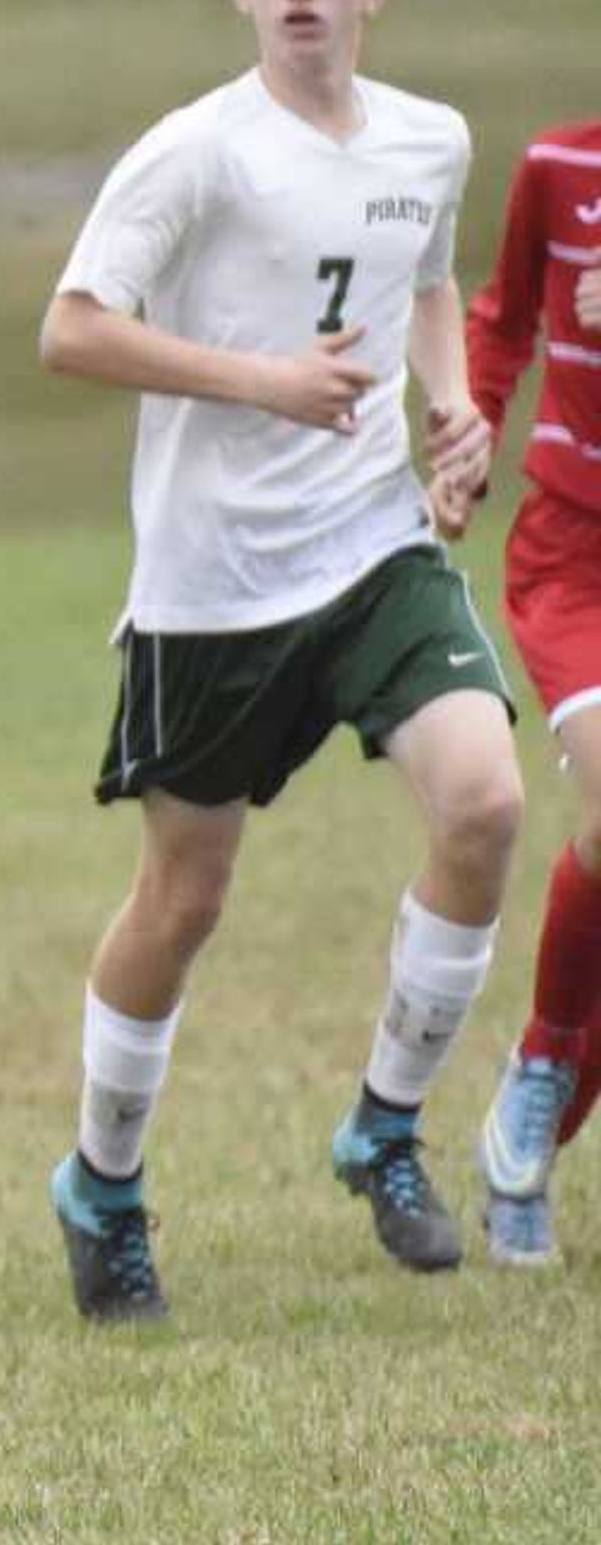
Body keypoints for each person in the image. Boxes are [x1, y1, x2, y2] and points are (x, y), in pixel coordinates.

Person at [36, 0, 510, 1325]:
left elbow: (428, 282)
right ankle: (102, 1185)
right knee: (185, 897)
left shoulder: (428, 140)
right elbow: (69, 330)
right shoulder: (197, 153)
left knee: (485, 801)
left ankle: (384, 1122)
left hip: (372, 550)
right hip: (213, 583)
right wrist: (260, 380)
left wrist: (453, 409)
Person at [465, 113, 601, 1263]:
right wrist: (465, 437)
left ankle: (533, 1141)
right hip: (576, 555)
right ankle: (546, 1061)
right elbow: (501, 321)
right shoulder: (559, 168)